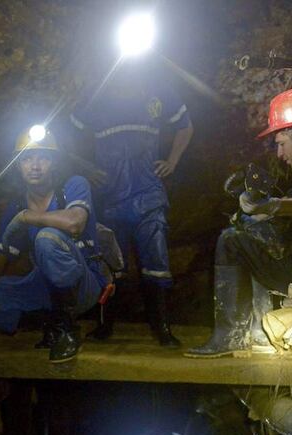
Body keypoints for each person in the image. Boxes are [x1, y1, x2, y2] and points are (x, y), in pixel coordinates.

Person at [186, 87, 292, 359]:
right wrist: (260, 212)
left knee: (231, 240)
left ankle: (229, 336)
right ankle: (259, 331)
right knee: (248, 234)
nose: (280, 153)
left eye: (281, 143)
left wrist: (275, 207)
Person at [70, 60, 194, 347]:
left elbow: (185, 126)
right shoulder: (97, 95)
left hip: (147, 194)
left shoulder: (159, 92)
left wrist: (173, 161)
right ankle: (105, 325)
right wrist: (86, 168)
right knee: (110, 265)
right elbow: (67, 136)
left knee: (156, 261)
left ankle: (162, 327)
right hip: (111, 196)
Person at [0, 127, 107, 363]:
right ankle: (44, 322)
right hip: (45, 286)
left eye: (43, 158)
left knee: (46, 238)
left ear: (53, 162)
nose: (35, 166)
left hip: (84, 283)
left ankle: (65, 330)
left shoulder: (73, 186)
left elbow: (75, 222)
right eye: (26, 159)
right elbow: (0, 254)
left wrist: (28, 218)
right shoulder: (16, 206)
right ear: (17, 165)